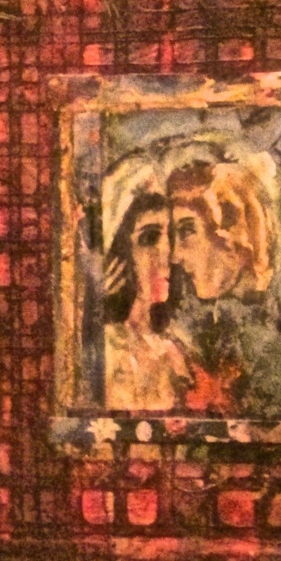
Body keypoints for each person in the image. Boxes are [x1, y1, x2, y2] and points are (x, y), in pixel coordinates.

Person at [164, 145, 281, 418]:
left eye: (187, 230)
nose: (175, 256)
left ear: (234, 228)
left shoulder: (277, 340)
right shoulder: (184, 331)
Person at [100, 154, 191, 411]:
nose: (169, 255)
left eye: (171, 236)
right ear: (119, 252)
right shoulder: (107, 351)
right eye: (149, 238)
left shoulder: (174, 351)